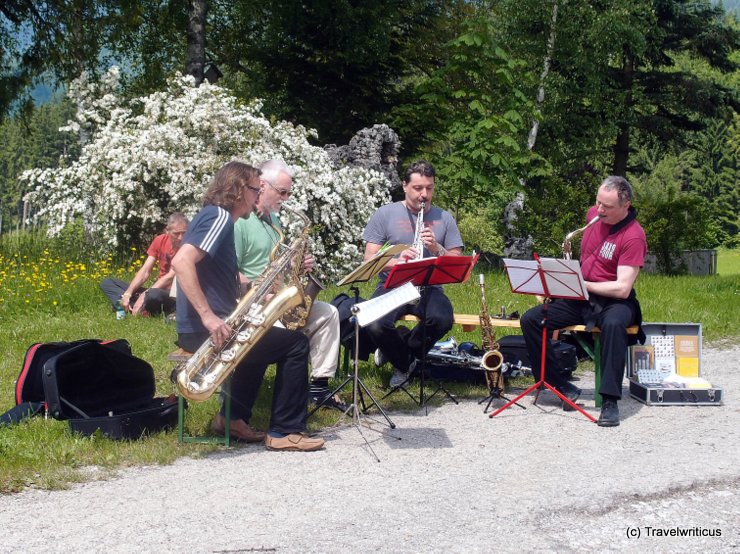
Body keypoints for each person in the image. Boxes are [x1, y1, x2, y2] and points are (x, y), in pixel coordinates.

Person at [172, 161, 324, 451]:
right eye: (256, 189)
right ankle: (285, 431)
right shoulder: (218, 217)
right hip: (205, 328)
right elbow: (181, 262)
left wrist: (255, 293)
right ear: (240, 190)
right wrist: (209, 318)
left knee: (258, 336)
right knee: (294, 345)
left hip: (216, 321)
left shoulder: (218, 219)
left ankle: (231, 418)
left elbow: (213, 274)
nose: (258, 196)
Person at [520, 175, 647, 427]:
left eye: (607, 207)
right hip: (581, 297)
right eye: (598, 203)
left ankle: (610, 401)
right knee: (532, 319)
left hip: (614, 301)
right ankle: (559, 384)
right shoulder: (593, 216)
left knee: (612, 325)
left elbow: (622, 288)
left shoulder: (634, 236)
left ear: (626, 205)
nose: (599, 210)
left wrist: (581, 284)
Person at [233, 160, 343, 409]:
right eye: (281, 192)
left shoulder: (273, 220)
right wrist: (258, 291)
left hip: (277, 297)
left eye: (288, 193)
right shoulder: (241, 222)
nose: (285, 198)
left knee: (329, 314)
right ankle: (285, 403)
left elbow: (274, 261)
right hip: (254, 303)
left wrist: (296, 264)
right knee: (290, 336)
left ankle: (319, 386)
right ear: (261, 186)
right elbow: (231, 272)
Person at [362, 160, 464, 388]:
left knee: (442, 319)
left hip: (429, 286)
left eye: (429, 188)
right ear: (404, 186)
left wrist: (437, 249)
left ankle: (400, 354)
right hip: (393, 284)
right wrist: (396, 261)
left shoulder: (444, 218)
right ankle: (407, 363)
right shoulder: (385, 214)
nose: (424, 194)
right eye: (418, 188)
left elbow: (457, 261)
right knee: (375, 323)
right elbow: (369, 259)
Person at [100, 213, 188, 317]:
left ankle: (130, 307)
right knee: (108, 283)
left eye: (184, 233)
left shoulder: (188, 246)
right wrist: (128, 293)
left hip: (173, 296)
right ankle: (128, 304)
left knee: (153, 295)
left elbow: (170, 277)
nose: (180, 237)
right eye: (176, 234)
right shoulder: (160, 240)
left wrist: (144, 295)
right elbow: (146, 270)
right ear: (167, 230)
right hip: (156, 289)